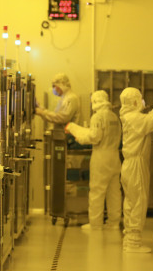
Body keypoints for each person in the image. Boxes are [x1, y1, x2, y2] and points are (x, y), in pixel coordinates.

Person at [119, 87, 153, 253]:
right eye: (140, 99)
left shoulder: (129, 116)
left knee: (131, 202)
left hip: (130, 165)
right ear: (134, 101)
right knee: (138, 202)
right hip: (135, 166)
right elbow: (151, 123)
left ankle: (129, 239)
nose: (142, 101)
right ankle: (133, 243)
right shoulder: (133, 118)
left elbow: (146, 120)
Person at [65, 90, 122, 231]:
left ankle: (95, 224)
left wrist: (80, 138)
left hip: (101, 157)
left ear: (95, 101)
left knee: (97, 191)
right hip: (115, 157)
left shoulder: (97, 117)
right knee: (114, 192)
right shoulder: (114, 116)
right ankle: (114, 222)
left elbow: (94, 137)